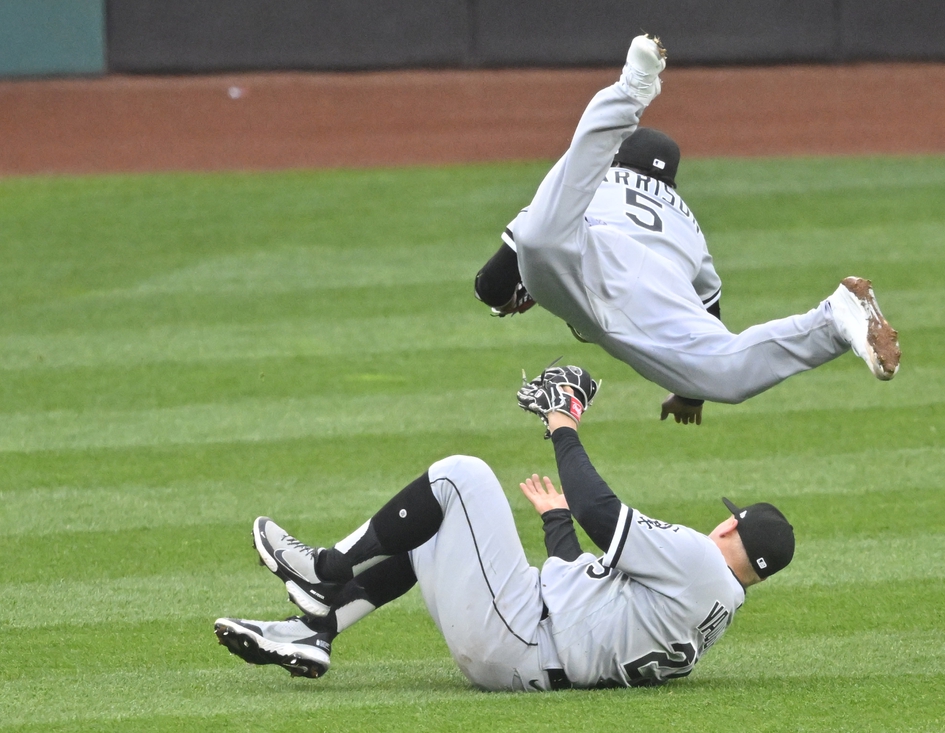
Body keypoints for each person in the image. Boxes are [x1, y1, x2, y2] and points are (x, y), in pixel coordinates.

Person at [214, 365, 795, 690]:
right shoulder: (716, 607)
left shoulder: (699, 561)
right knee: (429, 532)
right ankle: (316, 629)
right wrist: (556, 523)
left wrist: (562, 423)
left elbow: (605, 516)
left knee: (459, 477)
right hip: (528, 653)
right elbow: (589, 586)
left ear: (729, 529)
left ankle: (323, 570)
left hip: (517, 636)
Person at [473, 35, 901, 426]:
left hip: (592, 252)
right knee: (729, 372)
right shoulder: (688, 224)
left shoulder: (599, 181)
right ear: (670, 183)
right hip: (659, 292)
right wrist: (690, 394)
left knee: (540, 235)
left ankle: (628, 93)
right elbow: (706, 319)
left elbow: (491, 285)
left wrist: (522, 287)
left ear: (619, 161)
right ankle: (834, 319)